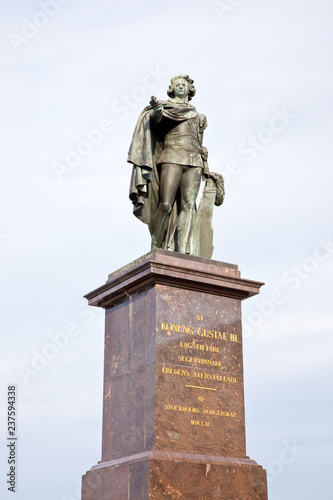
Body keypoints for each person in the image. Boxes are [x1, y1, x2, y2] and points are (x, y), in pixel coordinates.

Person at [128, 74, 210, 254]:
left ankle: (182, 251)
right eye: (177, 84)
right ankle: (156, 246)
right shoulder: (166, 108)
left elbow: (199, 141)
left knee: (188, 206)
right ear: (172, 89)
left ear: (190, 90)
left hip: (194, 161)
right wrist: (156, 111)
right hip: (172, 156)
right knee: (165, 204)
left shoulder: (198, 115)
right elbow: (156, 120)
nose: (181, 86)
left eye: (184, 84)